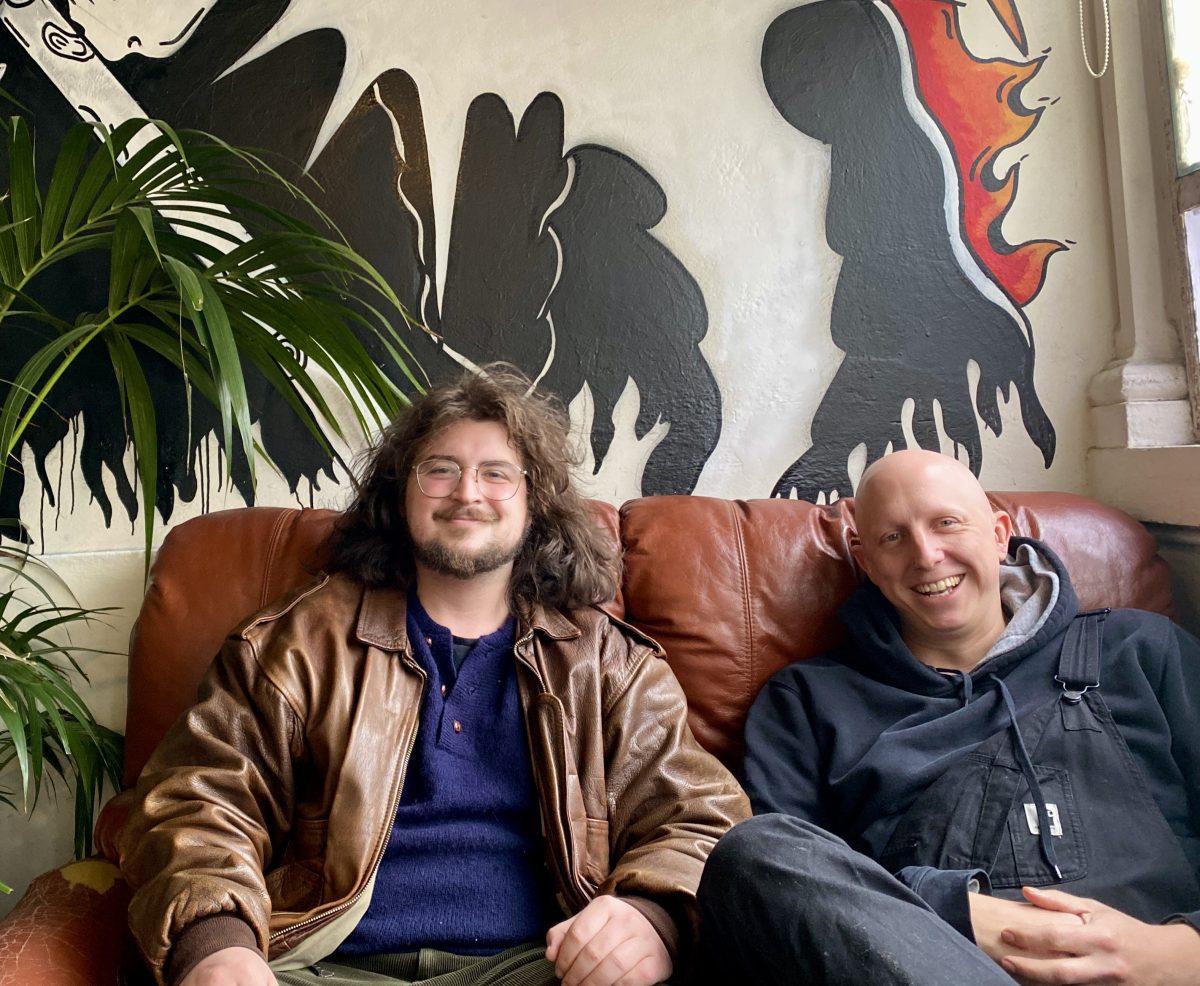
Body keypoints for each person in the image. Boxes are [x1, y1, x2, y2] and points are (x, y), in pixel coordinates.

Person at [119, 366, 747, 986]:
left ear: (535, 505)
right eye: (440, 469)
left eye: (497, 474)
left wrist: (652, 917)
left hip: (538, 968)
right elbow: (196, 801)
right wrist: (215, 945)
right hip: (322, 965)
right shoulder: (294, 645)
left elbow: (701, 817)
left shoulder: (609, 664)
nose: (467, 492)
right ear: (402, 494)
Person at [698, 449, 1200, 985]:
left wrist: (1181, 951)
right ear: (864, 561)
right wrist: (955, 911)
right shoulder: (806, 701)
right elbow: (787, 900)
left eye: (946, 523)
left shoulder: (1140, 649)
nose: (926, 555)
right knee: (755, 851)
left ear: (999, 532)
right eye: (893, 538)